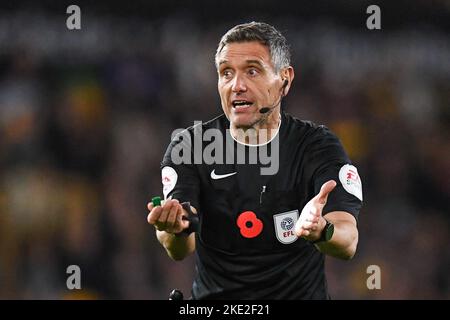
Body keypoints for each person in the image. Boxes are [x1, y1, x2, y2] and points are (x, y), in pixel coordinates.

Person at [147, 21, 363, 299]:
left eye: (252, 71)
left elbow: (348, 241)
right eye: (226, 73)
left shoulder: (316, 147)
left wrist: (322, 230)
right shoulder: (190, 146)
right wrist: (174, 228)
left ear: (284, 79)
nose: (237, 85)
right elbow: (179, 247)